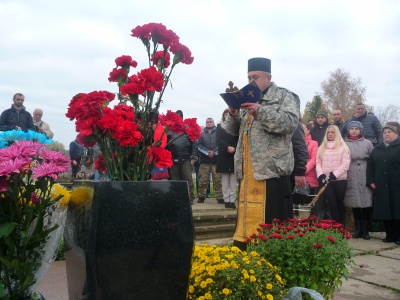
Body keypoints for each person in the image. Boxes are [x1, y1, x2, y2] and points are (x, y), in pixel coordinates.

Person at [225, 57, 299, 250]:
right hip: (247, 171)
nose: (251, 81)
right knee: (244, 222)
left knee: (273, 225)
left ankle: (272, 258)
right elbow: (233, 131)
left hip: (272, 170)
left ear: (268, 77)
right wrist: (233, 114)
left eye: (255, 76)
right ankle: (244, 254)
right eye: (249, 77)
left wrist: (259, 110)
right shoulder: (246, 98)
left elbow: (289, 124)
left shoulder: (284, 96)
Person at [367, 122, 400, 245]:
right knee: (385, 211)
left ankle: (399, 236)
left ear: (396, 134)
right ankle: (390, 235)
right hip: (381, 185)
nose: (386, 134)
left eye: (389, 132)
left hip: (397, 185)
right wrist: (370, 181)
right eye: (384, 133)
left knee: (397, 211)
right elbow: (370, 166)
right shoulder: (378, 148)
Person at [344, 121, 374, 239]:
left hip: (365, 171)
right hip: (350, 172)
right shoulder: (344, 143)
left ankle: (366, 230)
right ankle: (358, 229)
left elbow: (372, 159)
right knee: (354, 202)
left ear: (360, 130)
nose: (354, 130)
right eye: (352, 128)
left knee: (366, 202)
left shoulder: (367, 143)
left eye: (357, 128)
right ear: (349, 130)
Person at [316, 125, 350, 224]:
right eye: (328, 132)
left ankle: (341, 226)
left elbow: (345, 164)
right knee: (332, 204)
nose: (330, 134)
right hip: (327, 181)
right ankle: (336, 228)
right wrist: (321, 175)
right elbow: (318, 163)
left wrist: (335, 175)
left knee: (340, 204)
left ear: (337, 133)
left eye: (332, 132)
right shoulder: (322, 147)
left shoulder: (343, 147)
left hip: (340, 180)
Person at [166, 110, 198, 203]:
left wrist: (194, 155)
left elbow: (194, 142)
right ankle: (177, 198)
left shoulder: (187, 128)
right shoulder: (169, 129)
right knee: (175, 180)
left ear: (182, 118)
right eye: (177, 116)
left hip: (185, 159)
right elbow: (165, 144)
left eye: (180, 117)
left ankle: (190, 198)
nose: (178, 118)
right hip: (173, 159)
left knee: (188, 179)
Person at [216, 109, 239, 209]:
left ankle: (232, 200)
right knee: (225, 179)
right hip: (224, 154)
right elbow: (218, 139)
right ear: (223, 116)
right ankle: (226, 200)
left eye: (228, 114)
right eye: (225, 114)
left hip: (234, 154)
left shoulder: (236, 126)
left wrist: (233, 147)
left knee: (233, 180)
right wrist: (227, 147)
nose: (227, 115)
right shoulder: (219, 126)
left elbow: (238, 138)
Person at [197, 118, 223, 203]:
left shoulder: (218, 132)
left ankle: (219, 197)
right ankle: (201, 197)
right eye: (207, 122)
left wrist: (214, 152)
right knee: (203, 180)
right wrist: (207, 152)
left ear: (213, 123)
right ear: (206, 123)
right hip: (204, 161)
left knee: (217, 180)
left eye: (210, 122)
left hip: (216, 161)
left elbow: (221, 144)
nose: (209, 123)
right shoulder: (201, 134)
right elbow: (198, 146)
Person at [302, 122, 319, 199]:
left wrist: (303, 170)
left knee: (309, 202)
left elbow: (314, 159)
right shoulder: (293, 143)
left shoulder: (314, 143)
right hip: (295, 176)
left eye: (303, 129)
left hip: (309, 176)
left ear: (308, 131)